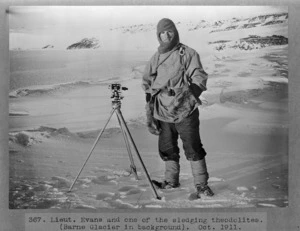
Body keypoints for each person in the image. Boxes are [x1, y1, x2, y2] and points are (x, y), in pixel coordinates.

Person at [142, 18, 214, 198]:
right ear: (158, 35)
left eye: (169, 32)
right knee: (167, 147)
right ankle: (171, 181)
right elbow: (147, 81)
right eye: (162, 33)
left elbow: (199, 76)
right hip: (162, 110)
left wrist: (190, 96)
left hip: (184, 110)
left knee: (193, 147)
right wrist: (150, 102)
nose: (166, 36)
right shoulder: (156, 57)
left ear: (175, 32)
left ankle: (202, 185)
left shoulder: (187, 53)